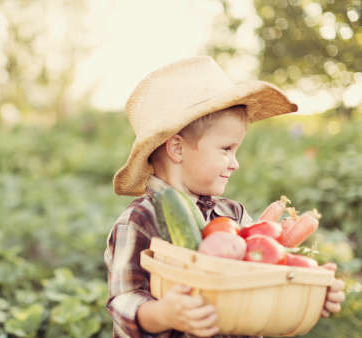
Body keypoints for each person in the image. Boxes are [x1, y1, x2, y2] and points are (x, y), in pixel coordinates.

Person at [104, 56, 345, 338]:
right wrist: (164, 314)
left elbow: (261, 282)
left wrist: (307, 293)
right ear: (177, 149)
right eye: (226, 149)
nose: (235, 163)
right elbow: (124, 300)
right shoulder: (137, 221)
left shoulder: (235, 216)